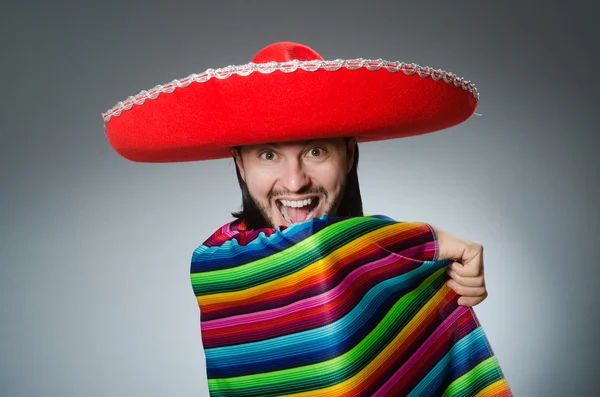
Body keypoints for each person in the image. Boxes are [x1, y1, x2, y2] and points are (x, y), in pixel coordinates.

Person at [103, 42, 511, 396]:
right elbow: (317, 247)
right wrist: (431, 241)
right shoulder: (218, 266)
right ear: (240, 165)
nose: (295, 182)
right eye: (268, 155)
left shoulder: (408, 281)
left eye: (316, 151)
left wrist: (425, 263)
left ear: (349, 156)